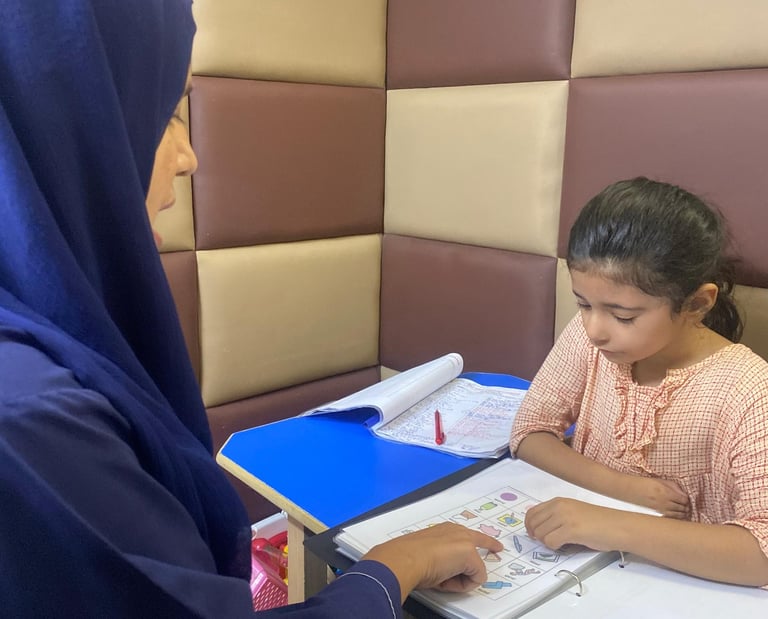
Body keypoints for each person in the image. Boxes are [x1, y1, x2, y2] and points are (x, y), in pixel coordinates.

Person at [0, 1, 502, 616]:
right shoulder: (34, 416)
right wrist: (396, 566)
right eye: (164, 115)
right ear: (63, 119)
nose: (188, 158)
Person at [509, 177, 768, 586]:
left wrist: (611, 524)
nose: (595, 329)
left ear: (697, 303)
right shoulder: (591, 337)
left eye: (624, 316)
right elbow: (529, 432)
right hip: (585, 570)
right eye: (583, 304)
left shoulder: (747, 390)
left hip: (686, 586)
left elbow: (762, 554)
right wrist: (626, 489)